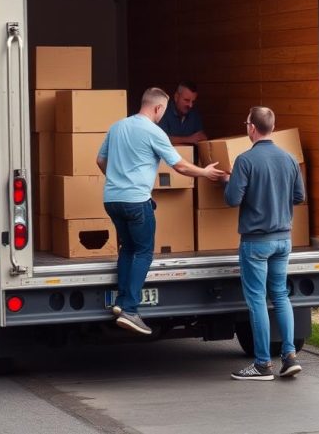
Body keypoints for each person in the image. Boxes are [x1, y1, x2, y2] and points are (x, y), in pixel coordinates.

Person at [97, 87, 226, 335]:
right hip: (136, 201)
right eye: (163, 110)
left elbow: (100, 160)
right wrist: (205, 172)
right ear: (158, 108)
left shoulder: (117, 127)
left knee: (128, 247)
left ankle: (121, 302)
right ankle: (131, 311)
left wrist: (116, 181)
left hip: (112, 199)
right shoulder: (154, 132)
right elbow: (180, 166)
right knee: (144, 252)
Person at [223, 106, 306, 381]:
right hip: (283, 239)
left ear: (251, 128)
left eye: (246, 123)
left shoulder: (245, 161)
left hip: (256, 242)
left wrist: (230, 180)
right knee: (280, 296)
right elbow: (298, 196)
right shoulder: (289, 159)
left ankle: (261, 364)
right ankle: (290, 355)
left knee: (257, 299)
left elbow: (232, 199)